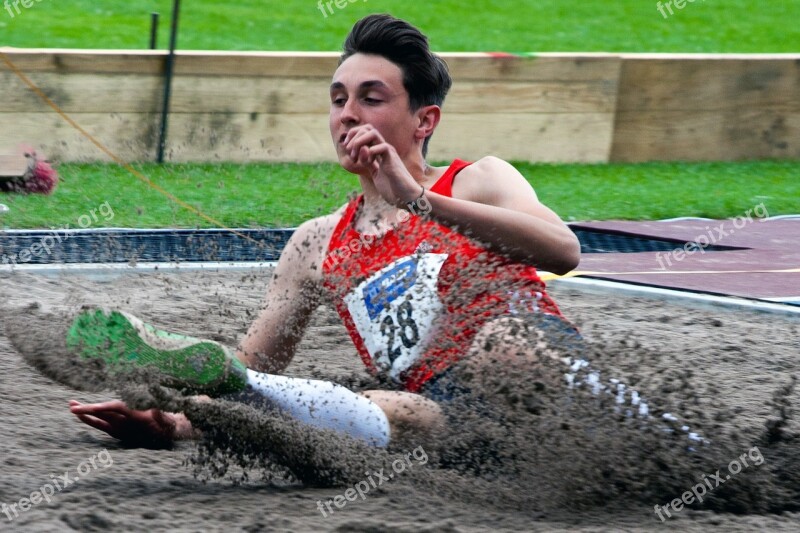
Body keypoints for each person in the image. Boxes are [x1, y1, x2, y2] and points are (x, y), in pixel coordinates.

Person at [69, 14, 582, 449]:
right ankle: (193, 389)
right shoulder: (315, 243)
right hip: (451, 425)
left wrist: (420, 203)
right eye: (338, 100)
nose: (348, 115)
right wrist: (174, 422)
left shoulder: (478, 180)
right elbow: (255, 365)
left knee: (506, 345)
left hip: (541, 381)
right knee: (382, 409)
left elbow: (563, 251)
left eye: (371, 99)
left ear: (424, 121)